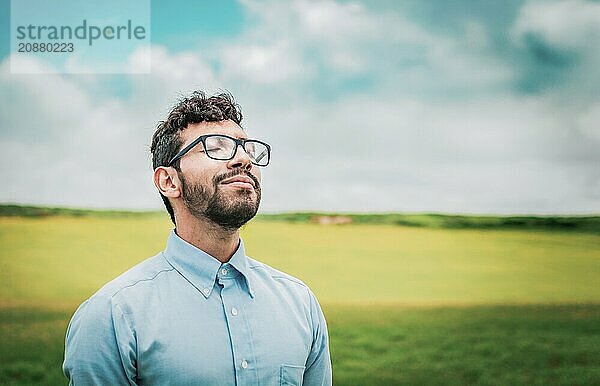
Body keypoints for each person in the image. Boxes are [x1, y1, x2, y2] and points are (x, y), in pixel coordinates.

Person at [63, 91, 332, 385]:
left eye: (248, 149)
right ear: (169, 181)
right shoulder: (111, 316)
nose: (243, 159)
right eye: (216, 147)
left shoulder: (300, 302)